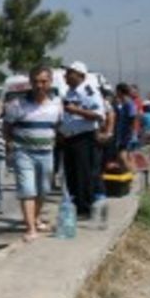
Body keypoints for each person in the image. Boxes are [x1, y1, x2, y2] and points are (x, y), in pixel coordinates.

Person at [3, 65, 63, 242]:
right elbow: (6, 127)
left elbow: (59, 127)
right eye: (36, 82)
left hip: (46, 152)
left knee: (44, 189)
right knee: (27, 189)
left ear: (50, 82)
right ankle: (30, 228)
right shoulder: (17, 105)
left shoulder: (56, 106)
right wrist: (10, 144)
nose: (39, 85)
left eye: (44, 81)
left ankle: (35, 218)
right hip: (24, 153)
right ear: (30, 83)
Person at [58, 61, 105, 219]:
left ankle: (85, 208)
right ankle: (75, 205)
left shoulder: (88, 91)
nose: (67, 75)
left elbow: (99, 114)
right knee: (71, 173)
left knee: (83, 173)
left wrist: (76, 110)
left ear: (81, 76)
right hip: (69, 138)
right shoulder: (69, 92)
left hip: (84, 138)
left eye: (70, 72)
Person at [114, 82, 138, 171]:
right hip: (124, 133)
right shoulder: (124, 103)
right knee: (128, 155)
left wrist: (131, 132)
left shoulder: (128, 103)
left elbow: (133, 117)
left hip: (127, 134)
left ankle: (130, 173)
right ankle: (131, 172)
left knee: (122, 156)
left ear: (120, 91)